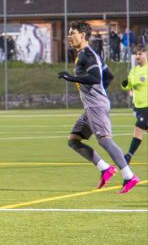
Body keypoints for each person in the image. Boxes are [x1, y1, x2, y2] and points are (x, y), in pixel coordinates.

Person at [58, 21, 140, 194]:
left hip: (95, 105)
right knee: (73, 140)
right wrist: (100, 93)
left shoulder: (87, 55)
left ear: (82, 35)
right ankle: (105, 168)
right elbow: (107, 76)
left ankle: (129, 176)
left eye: (72, 33)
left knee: (105, 140)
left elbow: (96, 78)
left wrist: (71, 78)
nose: (69, 37)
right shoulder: (86, 54)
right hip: (93, 105)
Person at [121, 44, 147, 164]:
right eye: (136, 54)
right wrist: (125, 84)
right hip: (137, 107)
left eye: (140, 53)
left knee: (138, 127)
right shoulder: (134, 70)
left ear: (146, 54)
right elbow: (128, 86)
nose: (138, 56)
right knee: (144, 127)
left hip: (147, 106)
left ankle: (129, 155)